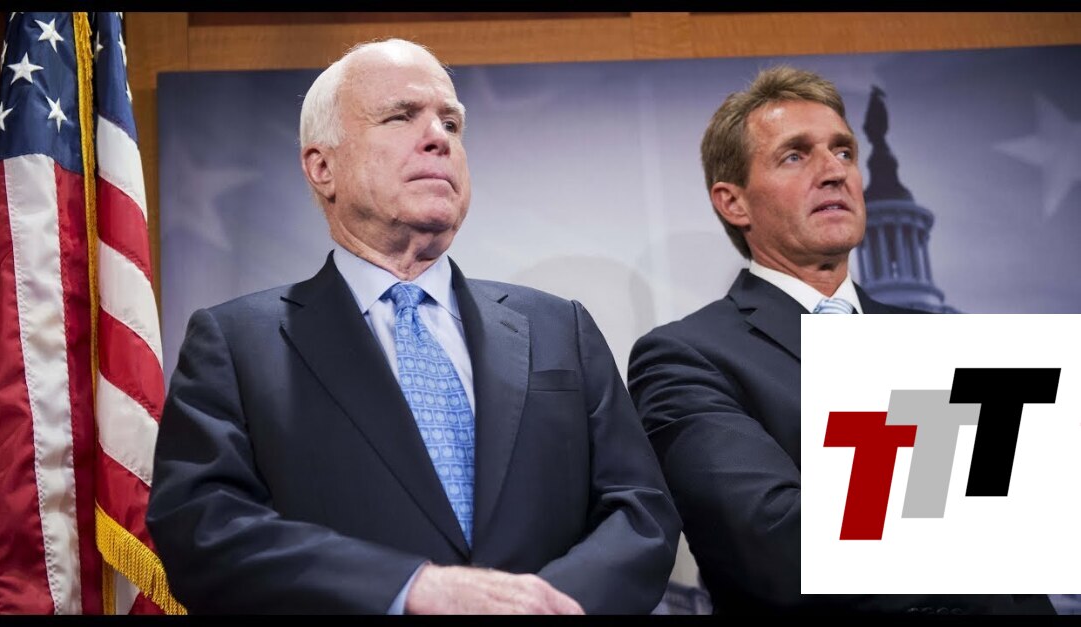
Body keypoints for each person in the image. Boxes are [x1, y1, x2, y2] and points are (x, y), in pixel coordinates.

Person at [146, 38, 681, 614]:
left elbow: (640, 511)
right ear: (322, 167)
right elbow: (203, 527)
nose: (438, 137)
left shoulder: (559, 327)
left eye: (451, 122)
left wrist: (546, 606)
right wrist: (411, 590)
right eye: (401, 116)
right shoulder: (236, 343)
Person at [627, 65, 1056, 615]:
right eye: (795, 155)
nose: (834, 171)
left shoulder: (944, 340)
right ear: (733, 202)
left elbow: (1024, 562)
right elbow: (782, 548)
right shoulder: (686, 358)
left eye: (844, 151)